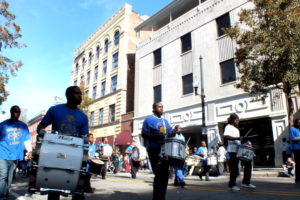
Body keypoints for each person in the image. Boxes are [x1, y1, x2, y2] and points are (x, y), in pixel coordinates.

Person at [37, 86, 89, 200]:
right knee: (54, 186)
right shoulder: (55, 110)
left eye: (81, 94)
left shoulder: (83, 117)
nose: (80, 96)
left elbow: (85, 138)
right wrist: (41, 132)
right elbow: (41, 126)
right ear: (68, 95)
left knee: (79, 189)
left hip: (74, 154)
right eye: (77, 93)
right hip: (56, 152)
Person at [142, 102, 173, 200]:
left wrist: (175, 131)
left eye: (162, 107)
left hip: (165, 150)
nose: (161, 108)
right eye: (159, 107)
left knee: (165, 175)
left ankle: (162, 197)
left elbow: (170, 132)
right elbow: (144, 134)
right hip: (154, 149)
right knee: (159, 174)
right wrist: (156, 136)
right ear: (154, 108)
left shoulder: (165, 121)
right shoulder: (148, 120)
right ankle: (156, 198)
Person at [0, 106, 32, 199]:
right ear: (10, 112)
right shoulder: (2, 125)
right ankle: (1, 196)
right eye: (14, 112)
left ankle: (5, 194)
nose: (16, 114)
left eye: (18, 112)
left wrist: (29, 151)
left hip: (15, 156)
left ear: (20, 113)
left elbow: (26, 140)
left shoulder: (23, 126)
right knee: (3, 175)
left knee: (9, 178)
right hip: (2, 154)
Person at [289, 118, 300, 185]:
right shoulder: (292, 129)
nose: (299, 123)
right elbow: (292, 138)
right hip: (297, 149)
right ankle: (298, 180)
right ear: (295, 123)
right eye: (298, 122)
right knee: (298, 165)